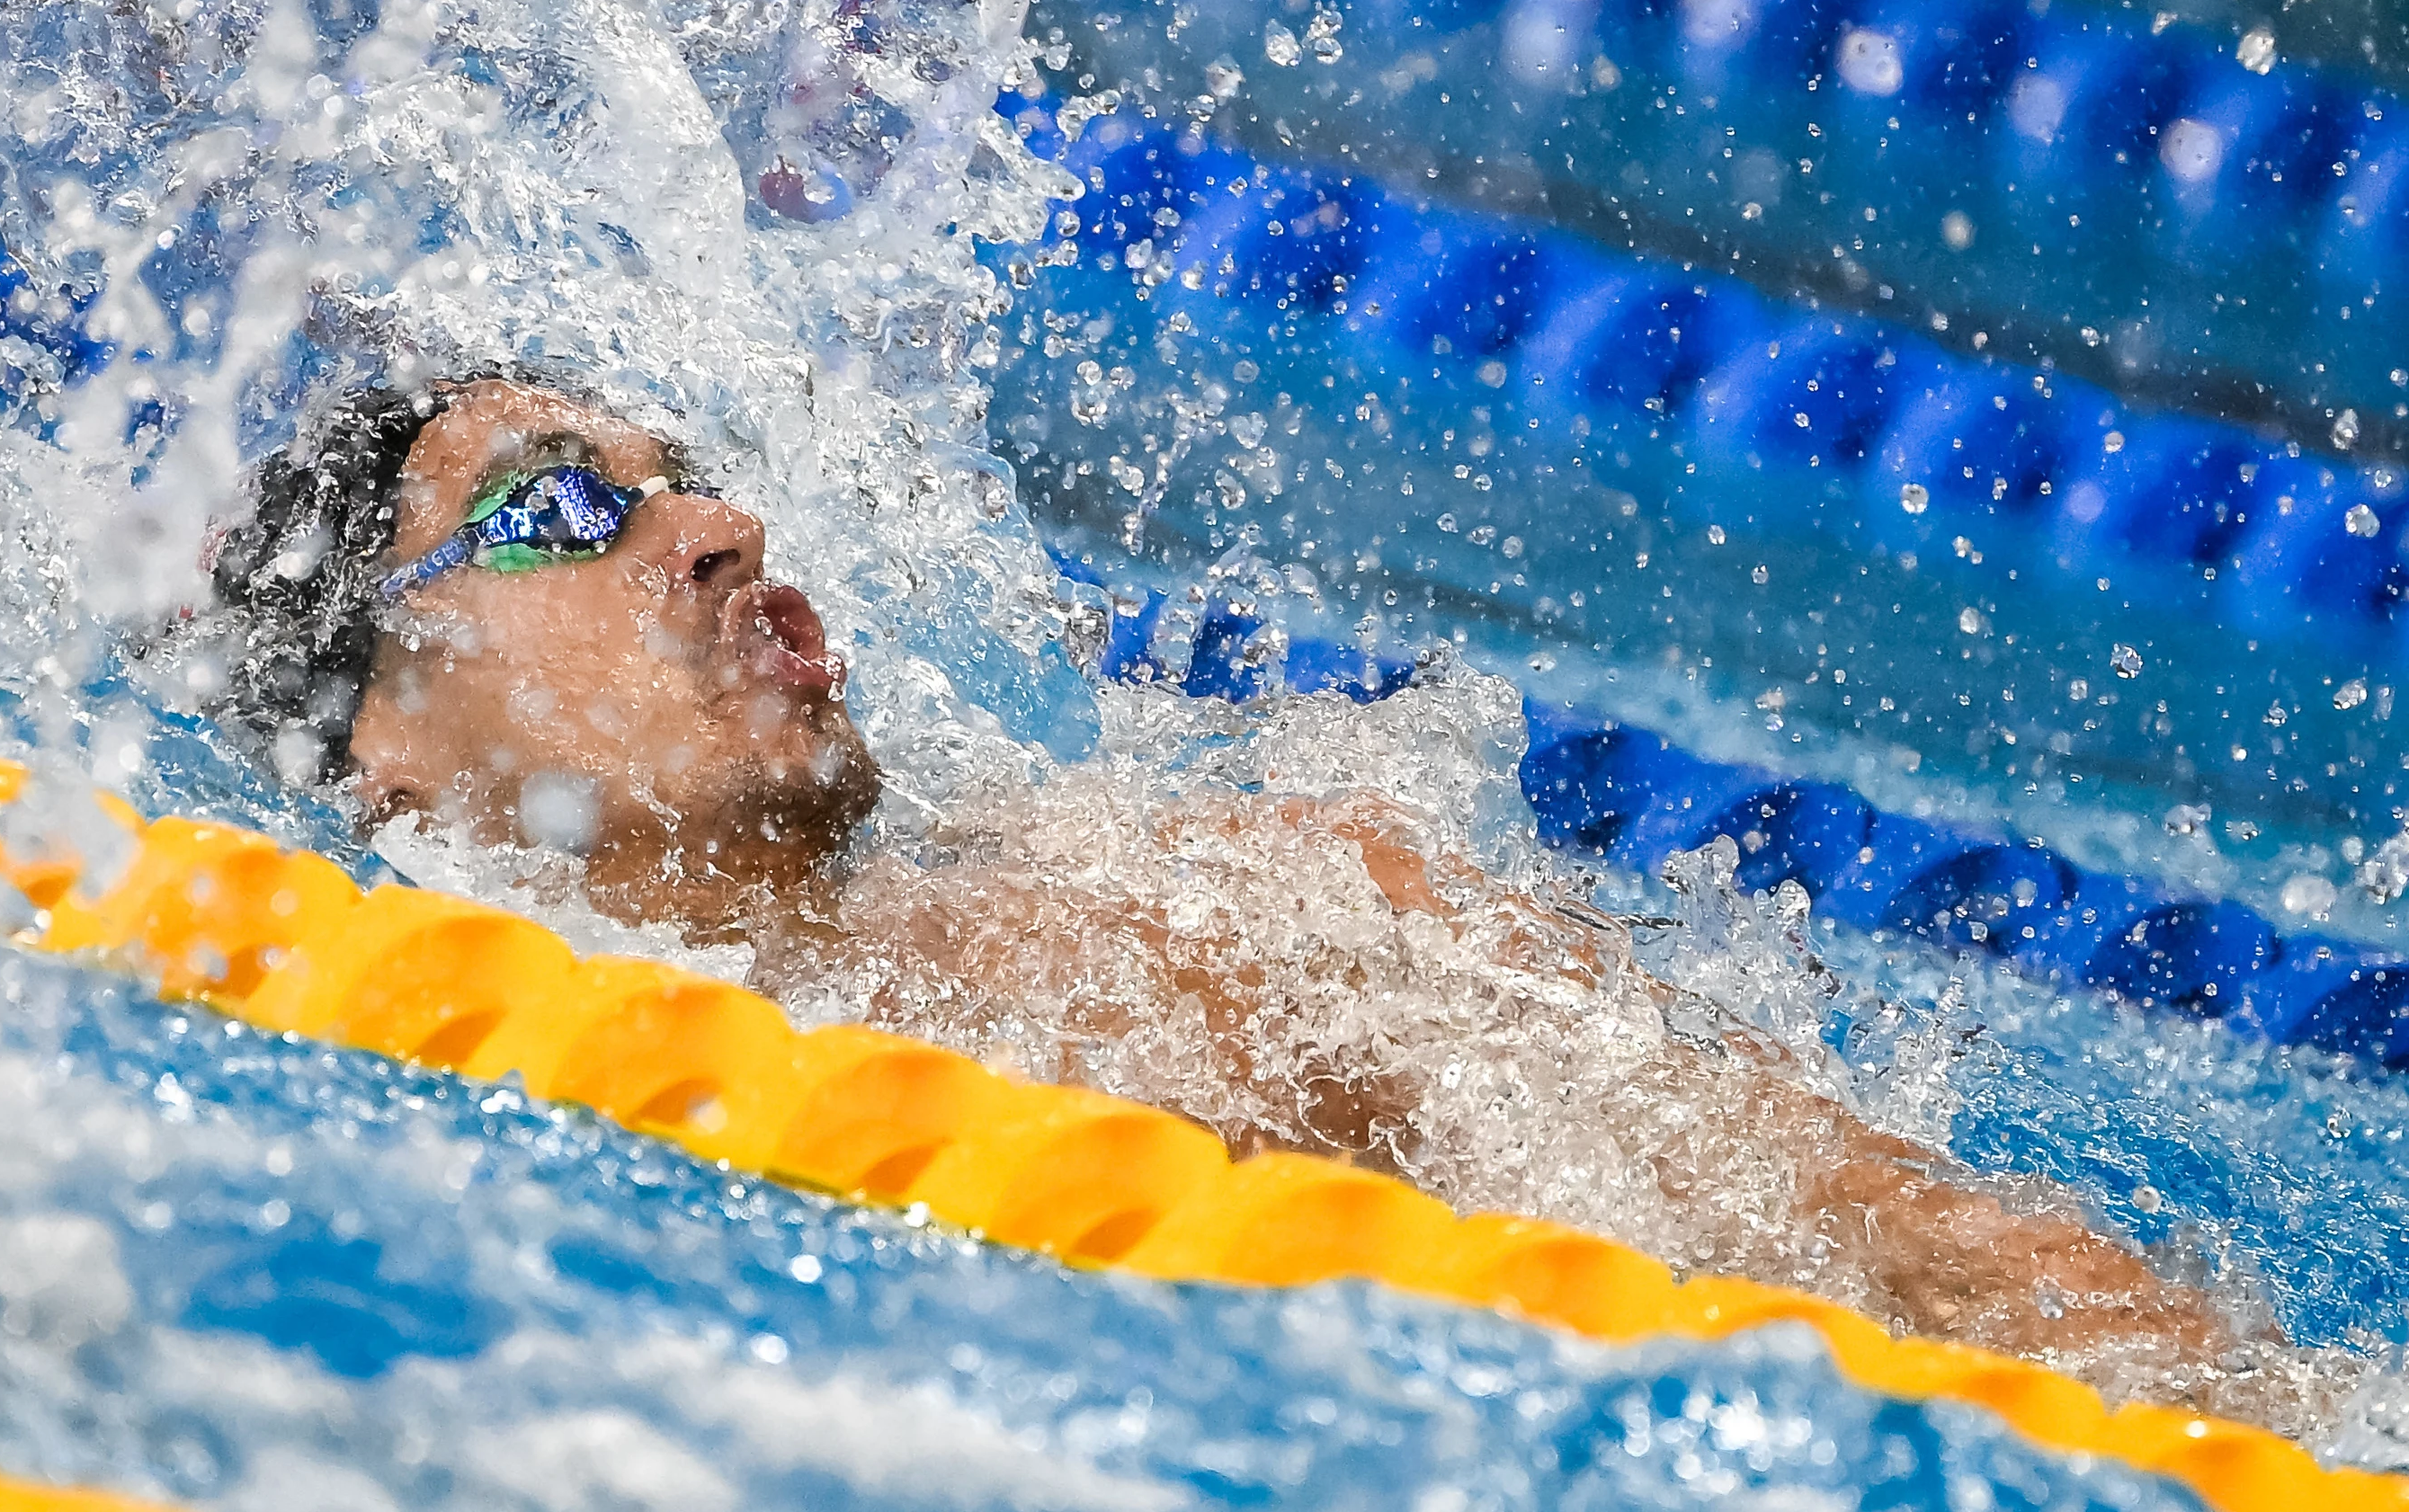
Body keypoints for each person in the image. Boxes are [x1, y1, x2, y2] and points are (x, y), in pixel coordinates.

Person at [196, 373, 2290, 1421]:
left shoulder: (1242, 906)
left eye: (697, 466)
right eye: (563, 509)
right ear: (384, 750)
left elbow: (1908, 1237)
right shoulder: (353, 1111)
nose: (726, 521)